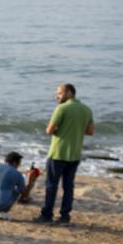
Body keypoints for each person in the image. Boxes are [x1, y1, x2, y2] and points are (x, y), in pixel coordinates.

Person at [35, 83, 94, 225]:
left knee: (51, 185)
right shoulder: (86, 109)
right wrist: (75, 130)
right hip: (75, 153)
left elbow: (49, 130)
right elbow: (90, 131)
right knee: (68, 186)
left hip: (58, 153)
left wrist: (58, 130)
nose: (57, 96)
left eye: (60, 93)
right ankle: (65, 216)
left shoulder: (61, 108)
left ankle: (47, 214)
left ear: (69, 93)